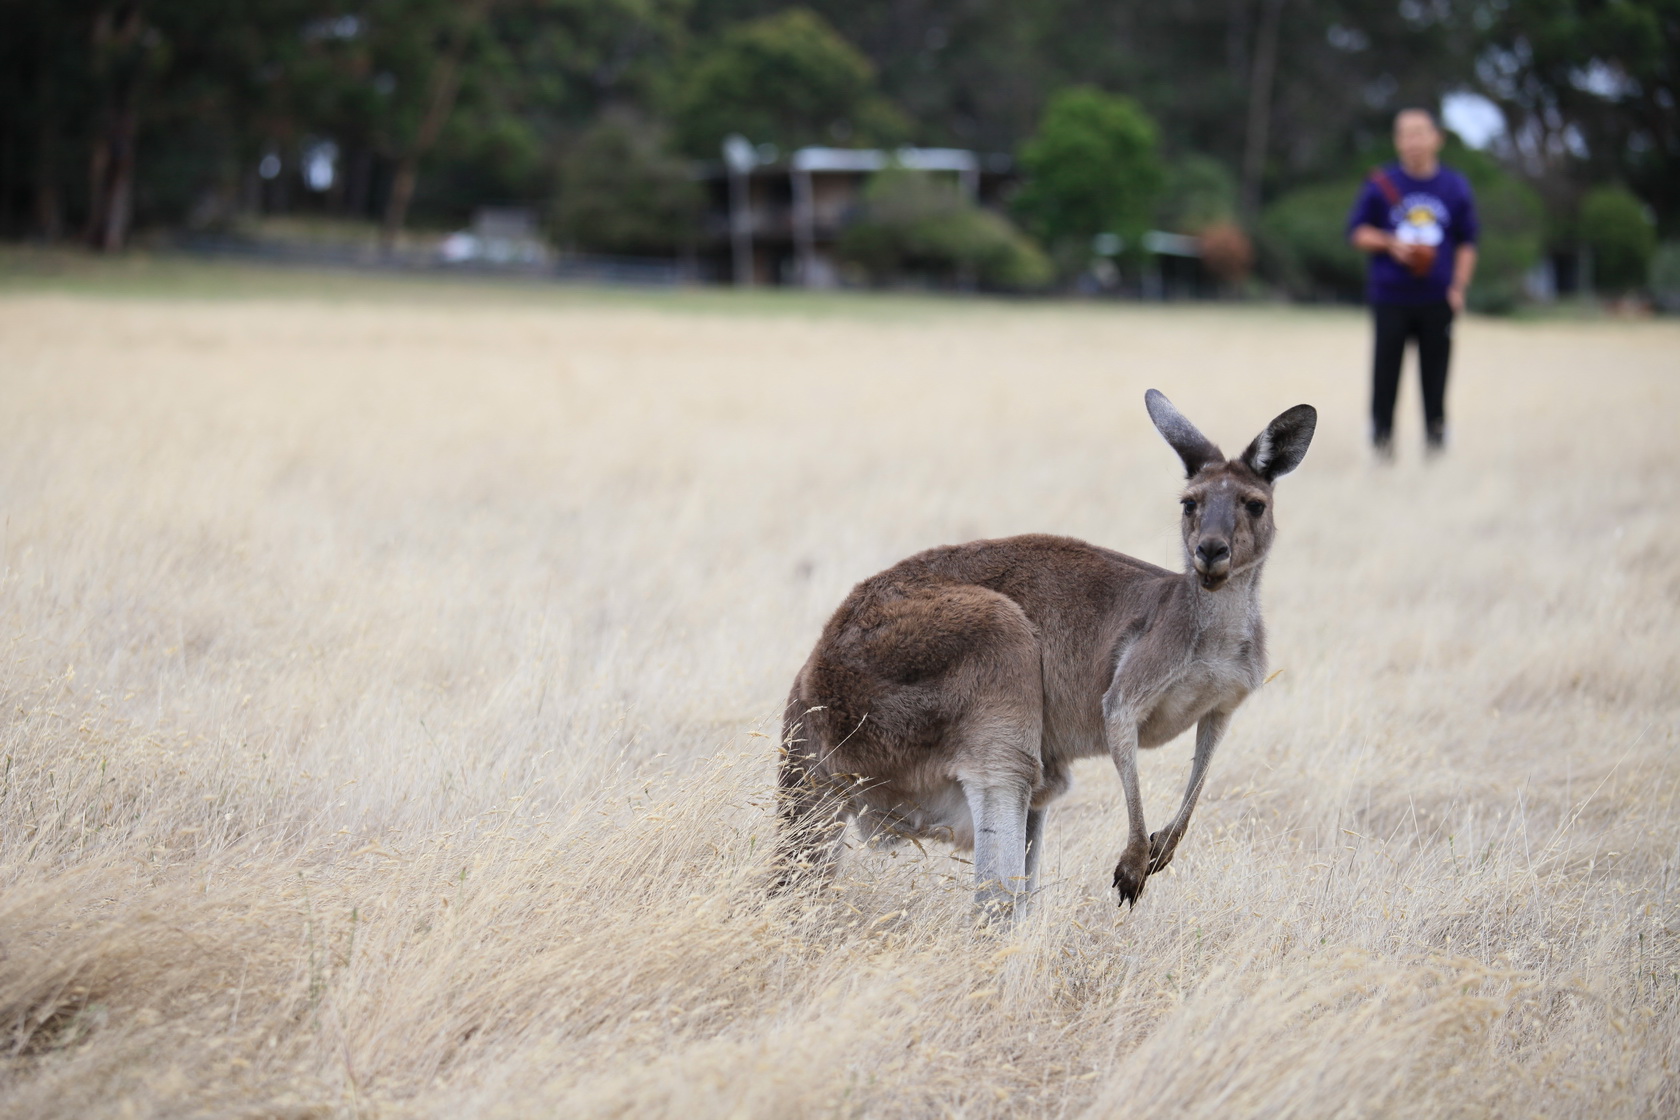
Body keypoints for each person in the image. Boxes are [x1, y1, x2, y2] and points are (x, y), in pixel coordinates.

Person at [1347, 108, 1478, 459]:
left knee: (1435, 379)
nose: (1412, 141)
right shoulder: (1380, 184)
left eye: (1420, 132)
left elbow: (1468, 241)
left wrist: (1458, 287)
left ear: (1437, 138)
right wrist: (1392, 243)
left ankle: (1435, 447)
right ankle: (1381, 447)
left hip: (1437, 298)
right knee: (1385, 376)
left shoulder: (1454, 186)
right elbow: (1357, 232)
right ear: (1396, 140)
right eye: (1404, 133)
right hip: (1391, 297)